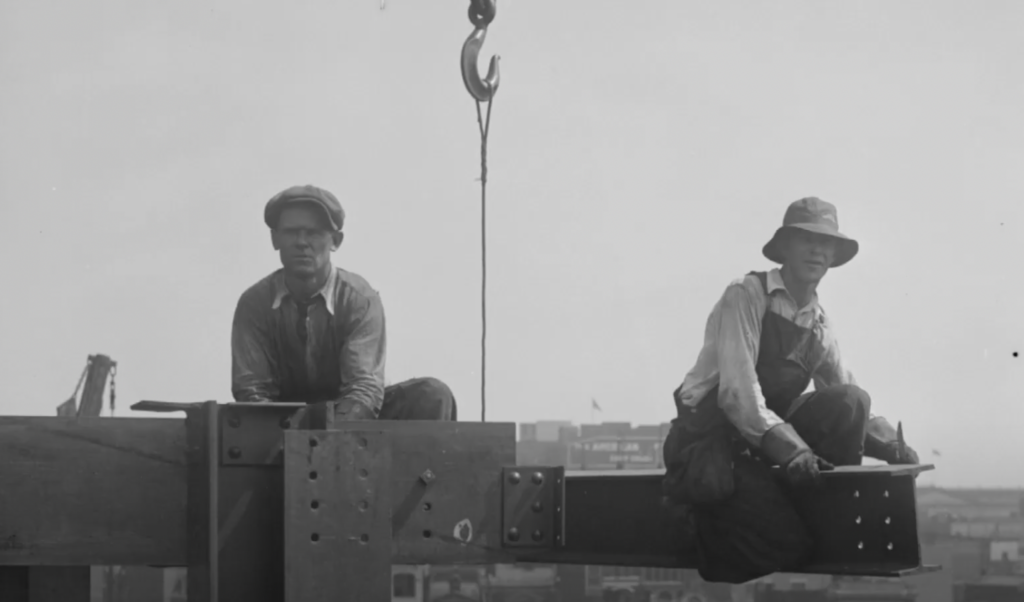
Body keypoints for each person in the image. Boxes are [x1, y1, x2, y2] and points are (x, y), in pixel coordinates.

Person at [661, 197, 918, 584]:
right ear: (784, 248)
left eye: (826, 243)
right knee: (788, 545)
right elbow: (738, 396)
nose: (817, 250)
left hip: (766, 446)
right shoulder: (746, 294)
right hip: (711, 443)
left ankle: (814, 501)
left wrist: (892, 448)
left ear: (833, 256)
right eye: (806, 239)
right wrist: (796, 451)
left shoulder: (818, 322)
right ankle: (700, 517)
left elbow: (844, 390)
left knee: (851, 402)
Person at [231, 184, 457, 422]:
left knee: (432, 395)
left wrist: (326, 433)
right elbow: (252, 389)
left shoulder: (359, 299)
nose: (301, 242)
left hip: (348, 418)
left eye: (314, 232)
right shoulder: (254, 304)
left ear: (335, 241)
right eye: (291, 232)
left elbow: (363, 389)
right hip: (282, 420)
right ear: (275, 239)